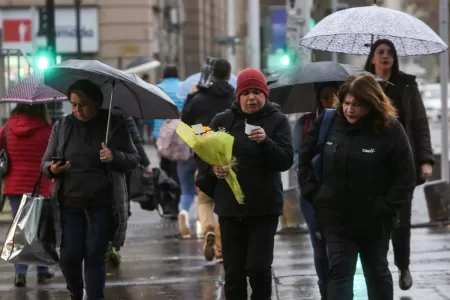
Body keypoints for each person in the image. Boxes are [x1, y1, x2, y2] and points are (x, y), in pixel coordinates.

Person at [298, 74, 416, 300]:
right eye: (346, 103)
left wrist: (385, 208)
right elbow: (304, 161)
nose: (350, 109)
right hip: (336, 218)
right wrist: (315, 195)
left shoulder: (390, 129)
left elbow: (405, 177)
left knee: (377, 273)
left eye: (357, 104)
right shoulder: (328, 122)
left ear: (371, 103)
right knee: (340, 273)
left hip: (375, 221)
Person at [41, 79, 139, 300]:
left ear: (96, 102)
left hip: (102, 204)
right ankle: (76, 292)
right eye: (73, 104)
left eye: (83, 104)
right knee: (69, 257)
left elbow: (134, 159)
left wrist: (115, 156)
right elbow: (45, 163)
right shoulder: (62, 127)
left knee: (95, 254)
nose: (77, 110)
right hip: (69, 204)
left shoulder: (114, 125)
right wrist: (53, 168)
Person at [209, 68, 293, 299]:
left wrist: (266, 142)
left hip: (263, 208)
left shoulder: (277, 120)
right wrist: (214, 168)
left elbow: (285, 160)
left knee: (258, 268)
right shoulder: (222, 120)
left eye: (257, 92)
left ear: (265, 95)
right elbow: (206, 157)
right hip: (230, 207)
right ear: (238, 96)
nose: (251, 97)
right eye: (246, 93)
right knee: (234, 272)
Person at [364, 39, 434, 290]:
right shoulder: (363, 84)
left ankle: (403, 265)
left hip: (402, 162)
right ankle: (379, 265)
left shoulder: (407, 84)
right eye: (380, 52)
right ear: (372, 57)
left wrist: (425, 160)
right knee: (376, 217)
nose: (385, 57)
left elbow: (420, 124)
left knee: (401, 219)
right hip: (371, 161)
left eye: (390, 53)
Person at [181, 58, 235, 260]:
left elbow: (185, 121)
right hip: (228, 156)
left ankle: (208, 228)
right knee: (225, 200)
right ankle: (220, 246)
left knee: (204, 199)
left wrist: (201, 134)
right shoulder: (235, 97)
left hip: (204, 156)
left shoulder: (199, 97)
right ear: (229, 76)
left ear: (211, 76)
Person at [292, 82, 340, 299]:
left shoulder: (348, 122)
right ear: (318, 100)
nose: (331, 101)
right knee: (320, 246)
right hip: (312, 194)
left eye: (336, 96)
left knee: (340, 248)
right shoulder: (305, 124)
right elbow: (296, 157)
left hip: (339, 195)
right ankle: (325, 290)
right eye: (326, 97)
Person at [0, 104, 54, 287]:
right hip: (40, 185)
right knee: (39, 229)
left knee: (19, 230)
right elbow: (55, 154)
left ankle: (20, 273)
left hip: (14, 186)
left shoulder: (7, 128)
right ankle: (42, 270)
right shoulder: (47, 130)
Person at [155, 65, 185, 217]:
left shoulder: (157, 88)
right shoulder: (183, 87)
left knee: (165, 169)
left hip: (161, 134)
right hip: (180, 133)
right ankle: (176, 201)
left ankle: (167, 201)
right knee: (178, 169)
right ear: (177, 74)